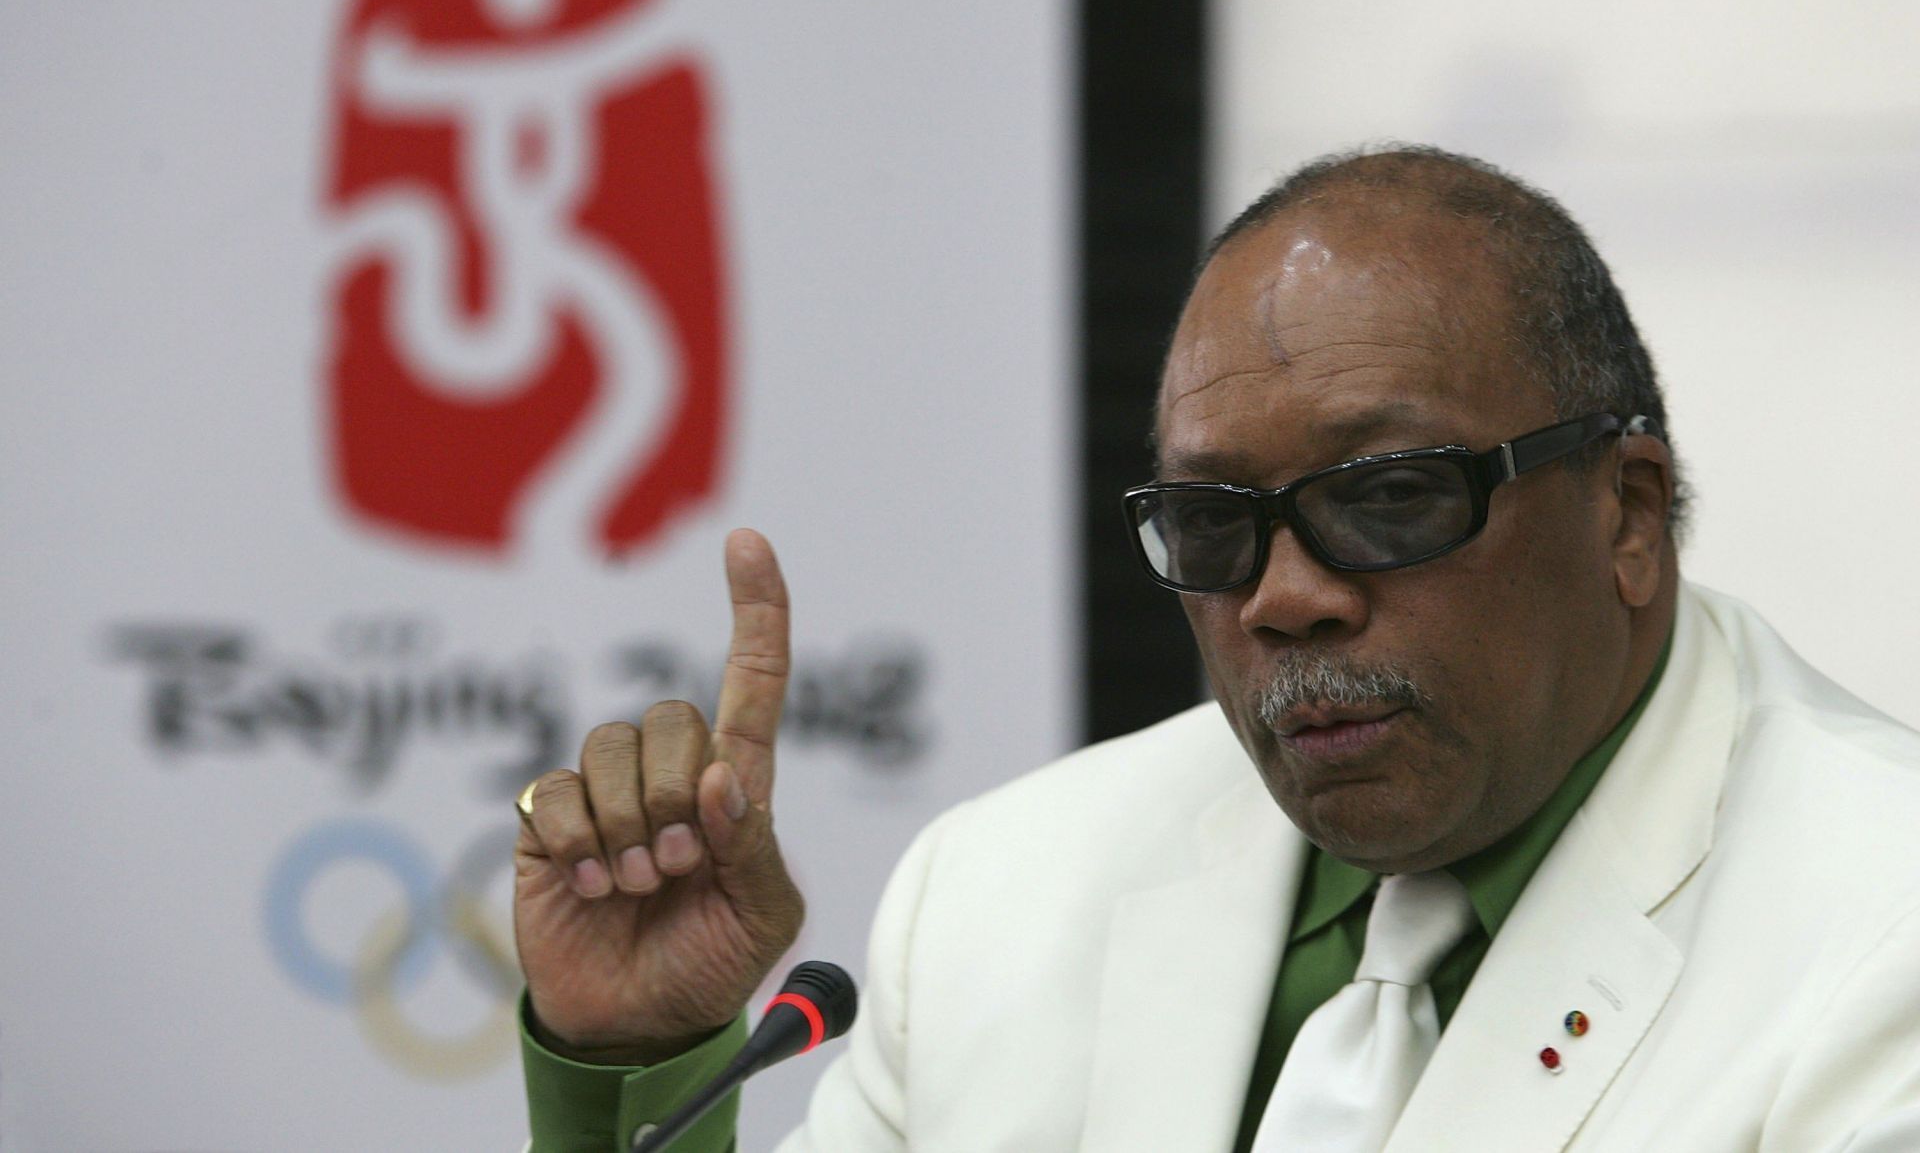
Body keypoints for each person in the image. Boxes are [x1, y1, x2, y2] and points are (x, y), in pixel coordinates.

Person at [513, 146, 1920, 1152]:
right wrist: (634, 1069)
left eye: (1386, 497)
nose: (1284, 597)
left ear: (1627, 515)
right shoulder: (994, 899)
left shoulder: (1883, 933)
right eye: (1211, 522)